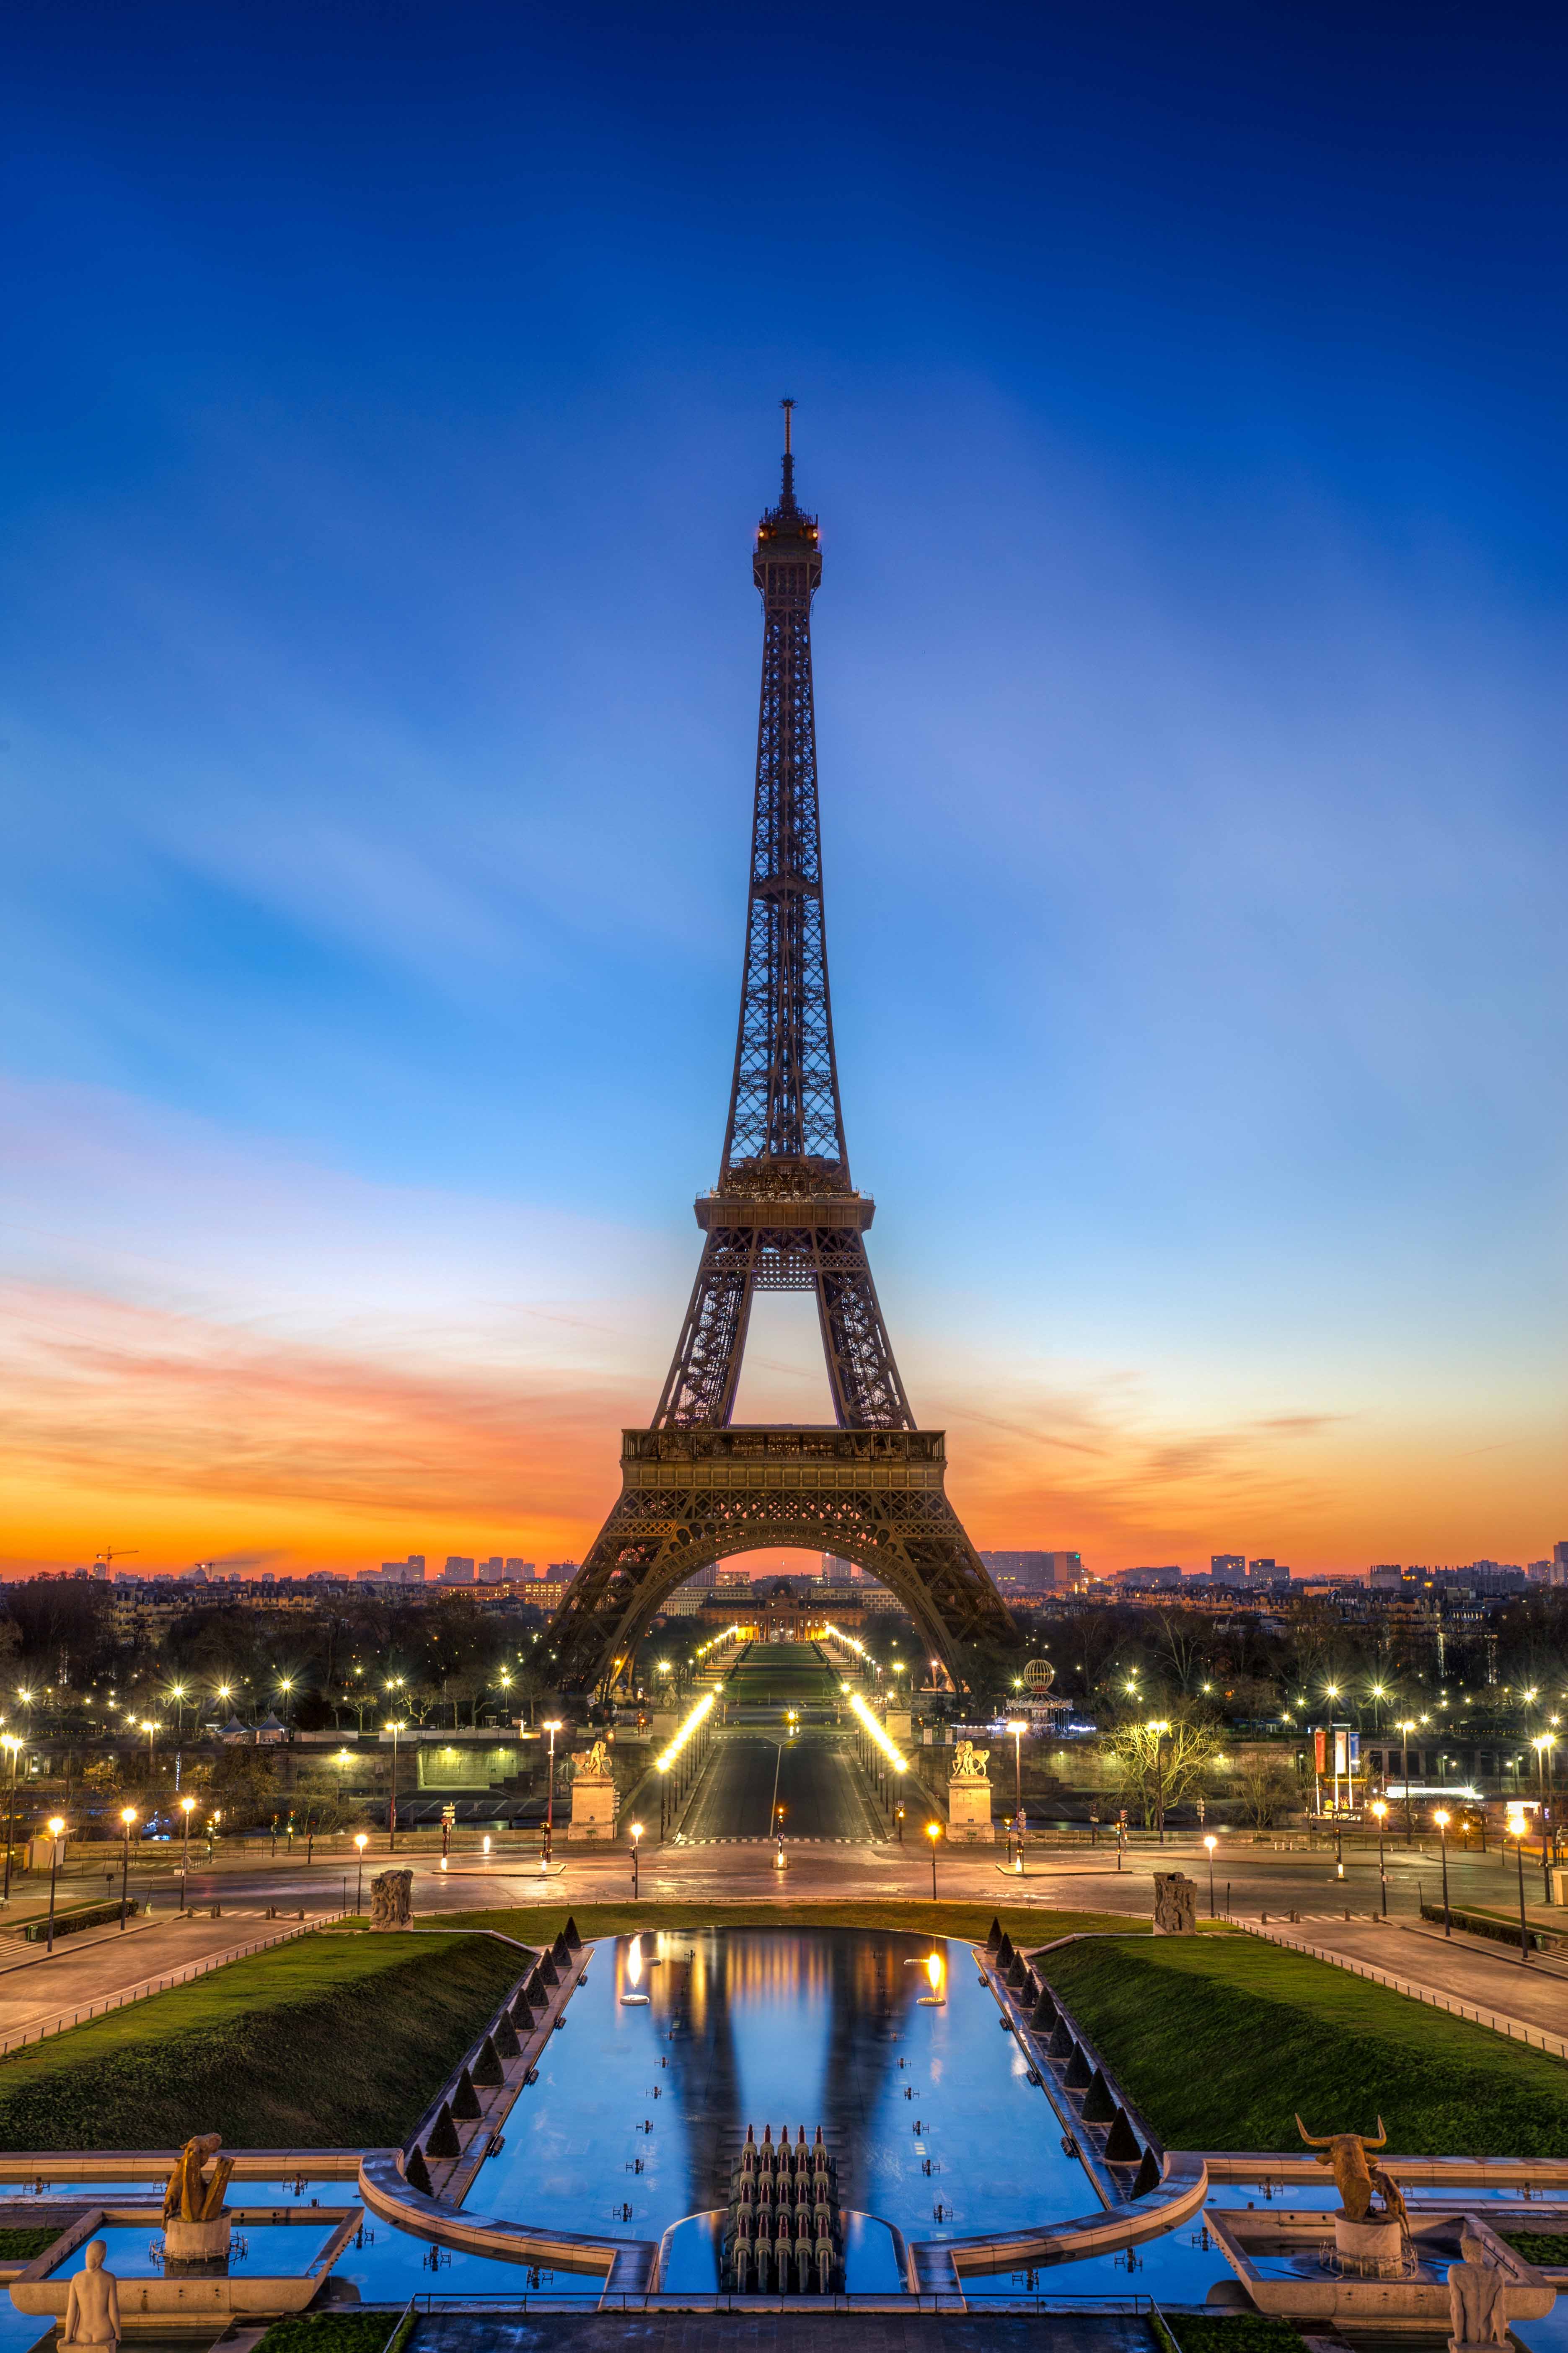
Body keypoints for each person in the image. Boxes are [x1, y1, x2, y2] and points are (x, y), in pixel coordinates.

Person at [62, 2240, 120, 2350]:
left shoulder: (77, 2278)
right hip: (104, 2331)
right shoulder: (109, 2278)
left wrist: (67, 2337)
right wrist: (118, 2335)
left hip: (82, 2333)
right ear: (103, 2257)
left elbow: (72, 2311)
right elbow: (114, 2310)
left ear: (86, 2256)